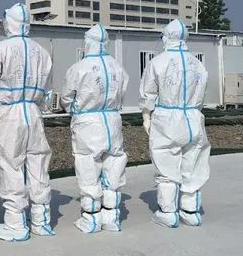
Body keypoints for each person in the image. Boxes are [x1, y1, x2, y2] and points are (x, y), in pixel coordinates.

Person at [0, 3, 55, 240]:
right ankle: (41, 219)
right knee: (38, 161)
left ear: (10, 22)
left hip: (9, 113)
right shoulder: (42, 52)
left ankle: (15, 222)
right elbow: (47, 90)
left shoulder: (0, 49)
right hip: (32, 112)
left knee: (10, 163)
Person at [140, 19, 210, 228]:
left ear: (166, 37)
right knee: (193, 164)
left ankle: (168, 212)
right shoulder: (198, 64)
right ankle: (190, 211)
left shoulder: (157, 62)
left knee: (166, 165)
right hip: (193, 118)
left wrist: (146, 116)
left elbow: (148, 93)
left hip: (167, 119)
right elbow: (202, 94)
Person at [61, 24, 129, 233]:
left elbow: (66, 98)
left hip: (88, 123)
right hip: (112, 121)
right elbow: (122, 94)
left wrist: (76, 111)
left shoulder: (79, 68)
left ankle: (91, 219)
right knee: (113, 165)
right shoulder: (117, 67)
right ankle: (111, 217)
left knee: (88, 167)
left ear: (88, 41)